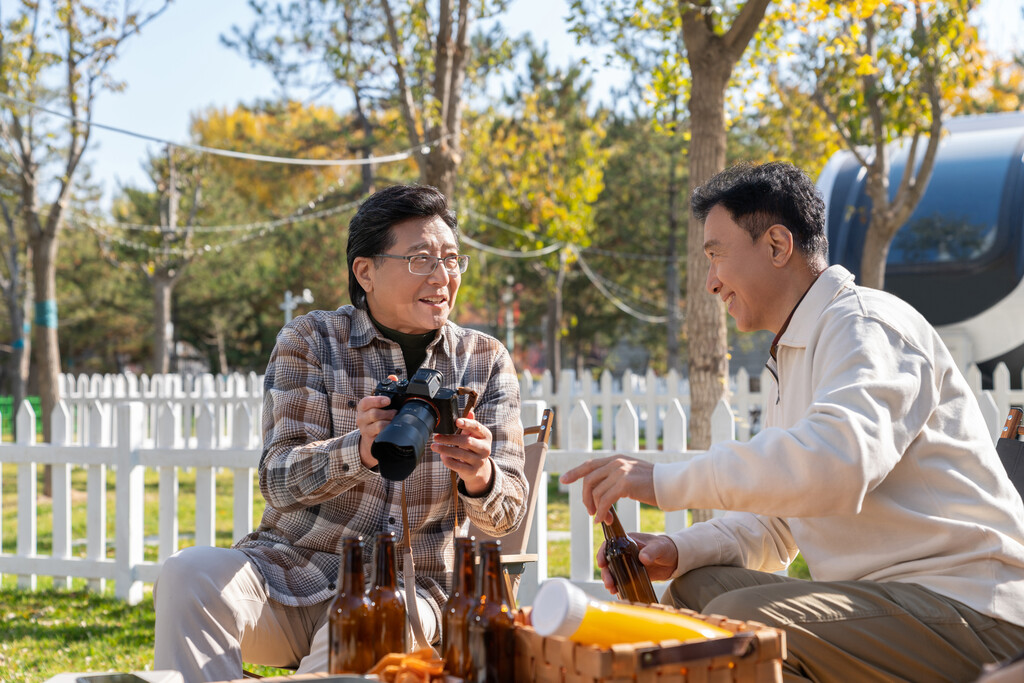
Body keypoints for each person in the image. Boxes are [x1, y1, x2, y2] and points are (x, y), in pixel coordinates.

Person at [562, 161, 1024, 682]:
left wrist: (661, 479)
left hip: (974, 610)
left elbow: (838, 464)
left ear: (778, 246)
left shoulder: (866, 325)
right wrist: (676, 550)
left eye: (716, 256)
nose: (711, 282)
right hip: (886, 604)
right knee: (694, 589)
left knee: (742, 629)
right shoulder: (797, 349)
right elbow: (781, 524)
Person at [154, 184, 528, 681]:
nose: (442, 277)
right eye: (421, 259)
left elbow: (507, 516)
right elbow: (278, 481)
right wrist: (357, 450)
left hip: (412, 593)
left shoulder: (484, 359)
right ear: (365, 271)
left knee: (369, 621)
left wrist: (481, 475)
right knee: (187, 574)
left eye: (452, 260)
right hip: (293, 574)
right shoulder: (311, 340)